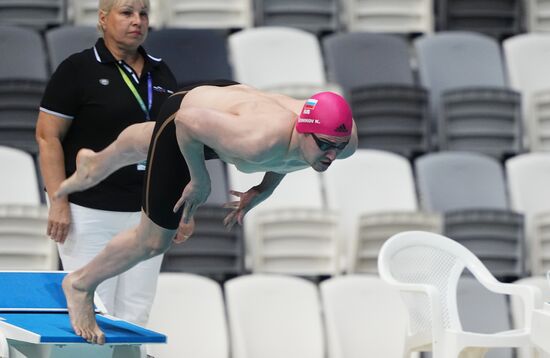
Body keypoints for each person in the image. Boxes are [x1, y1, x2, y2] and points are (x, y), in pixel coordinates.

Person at [54, 82, 358, 344]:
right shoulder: (256, 141)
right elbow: (185, 122)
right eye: (326, 146)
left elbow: (291, 155)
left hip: (223, 103)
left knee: (149, 140)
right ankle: (80, 284)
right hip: (188, 116)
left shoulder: (338, 142)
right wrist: (199, 180)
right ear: (305, 130)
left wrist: (264, 188)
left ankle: (95, 163)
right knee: (153, 241)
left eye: (338, 147)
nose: (332, 156)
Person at [35, 0, 177, 326]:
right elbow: (47, 137)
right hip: (89, 212)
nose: (137, 21)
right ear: (103, 19)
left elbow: (174, 144)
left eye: (142, 14)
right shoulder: (78, 69)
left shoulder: (162, 71)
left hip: (147, 212)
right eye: (126, 12)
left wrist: (179, 205)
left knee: (137, 313)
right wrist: (58, 200)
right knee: (94, 311)